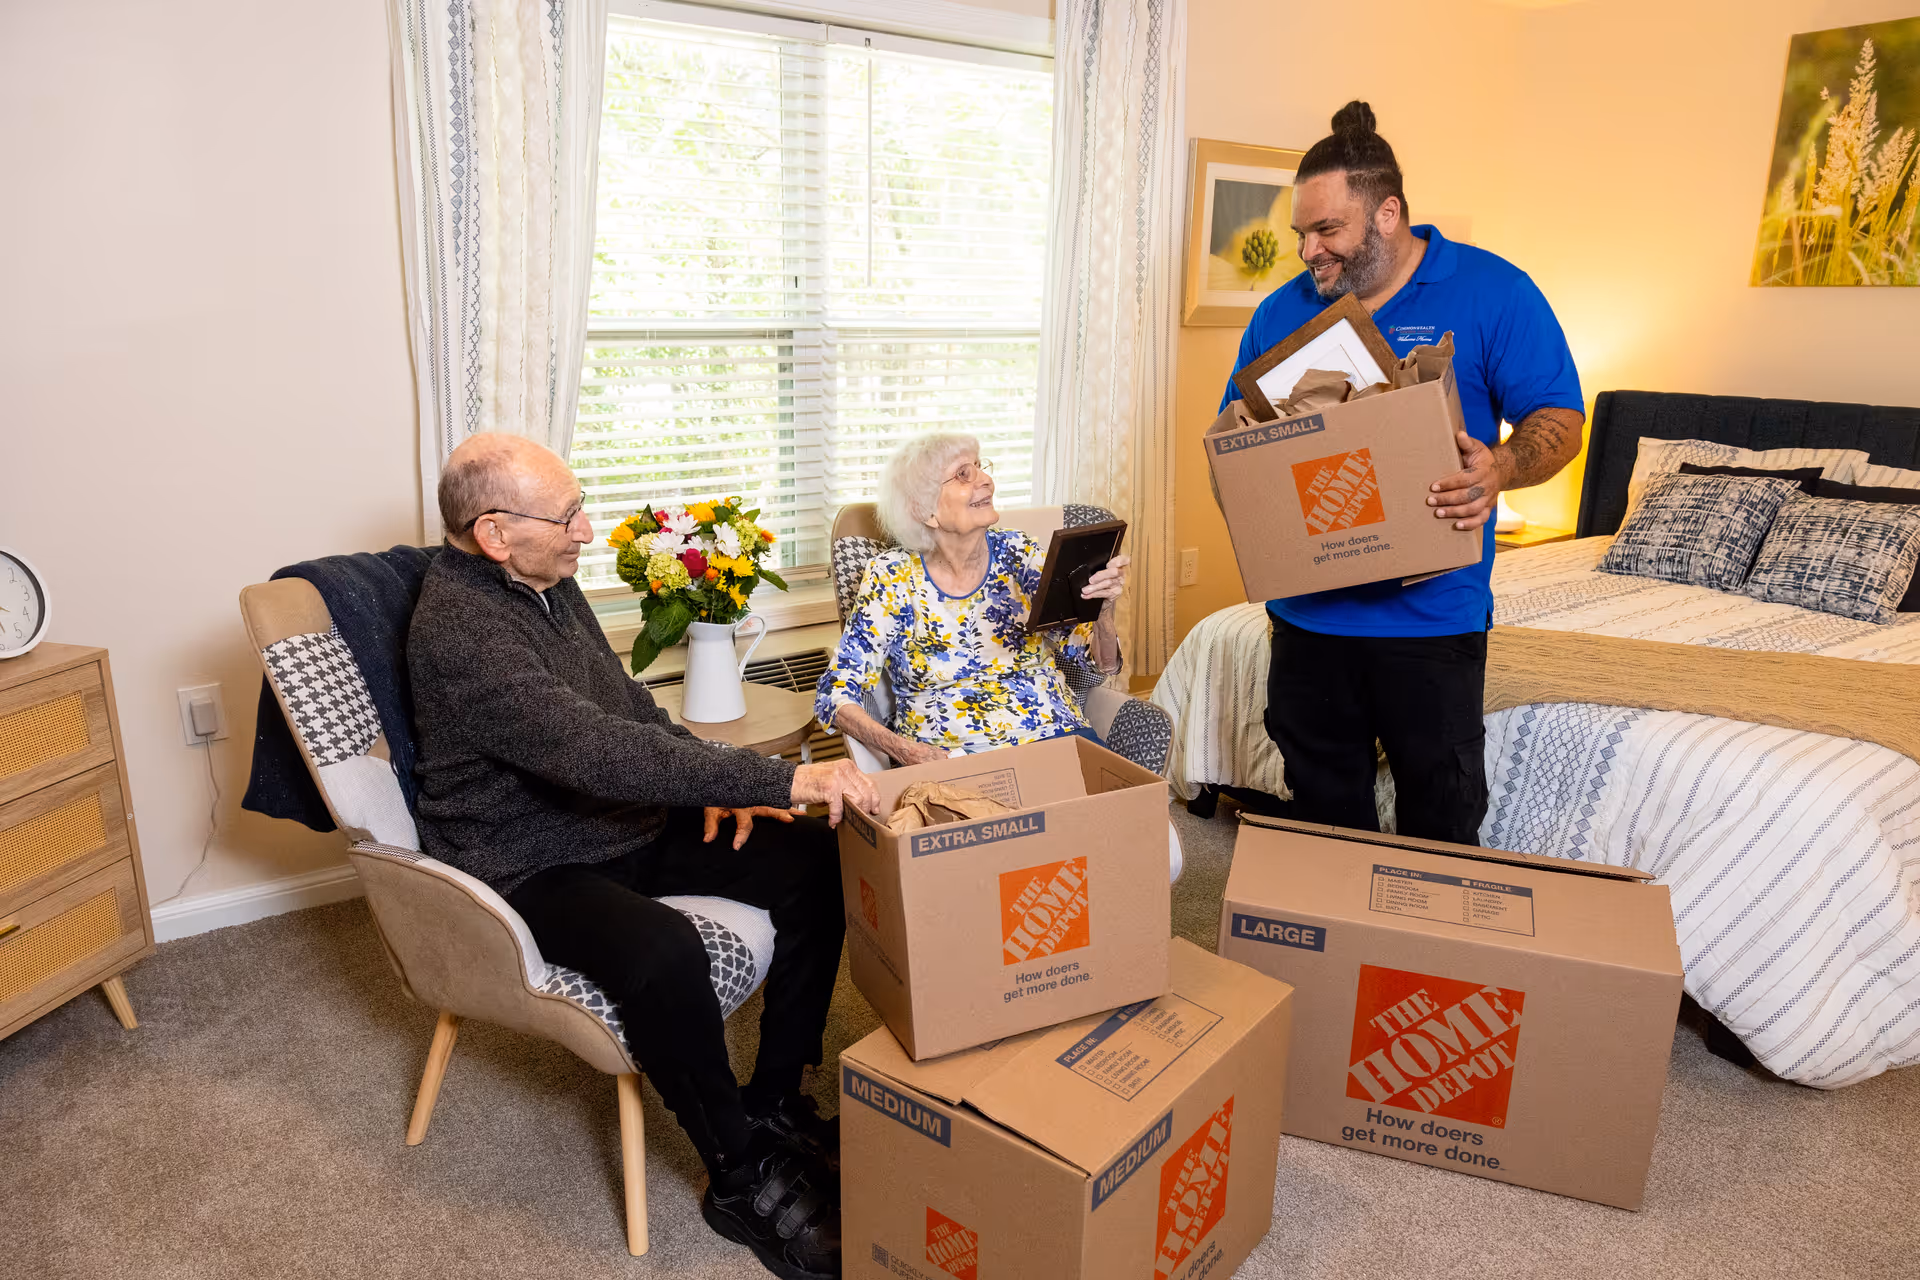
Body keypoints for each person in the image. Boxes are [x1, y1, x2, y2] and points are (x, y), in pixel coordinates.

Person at [408, 432, 879, 1280]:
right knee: (663, 951)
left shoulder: (547, 583)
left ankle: (773, 1101)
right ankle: (738, 1174)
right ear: (493, 532)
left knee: (814, 858)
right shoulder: (461, 631)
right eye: (568, 516)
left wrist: (717, 790)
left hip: (619, 821)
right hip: (529, 862)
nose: (587, 531)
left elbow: (627, 714)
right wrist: (769, 776)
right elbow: (591, 750)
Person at [1222, 101, 1584, 843]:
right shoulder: (1280, 312)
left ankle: (1426, 961)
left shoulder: (1493, 292)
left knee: (1441, 819)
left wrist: (1502, 466)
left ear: (1387, 213)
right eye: (1300, 234)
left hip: (1432, 621)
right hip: (1307, 620)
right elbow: (1238, 440)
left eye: (1327, 231)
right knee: (1321, 818)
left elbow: (1561, 419)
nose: (1308, 252)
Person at [816, 432, 1129, 766]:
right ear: (926, 510)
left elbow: (1098, 665)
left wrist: (1104, 611)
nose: (987, 482)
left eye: (981, 467)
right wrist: (904, 751)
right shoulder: (892, 577)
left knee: (1121, 810)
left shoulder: (1020, 554)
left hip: (1055, 732)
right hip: (955, 757)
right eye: (964, 474)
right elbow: (834, 695)